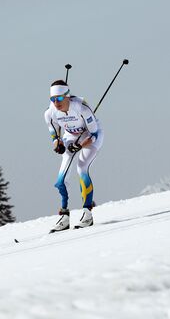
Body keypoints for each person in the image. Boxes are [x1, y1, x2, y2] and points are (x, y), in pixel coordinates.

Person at [44, 80, 104, 232]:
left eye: (59, 98)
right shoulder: (50, 113)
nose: (56, 102)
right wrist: (57, 143)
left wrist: (81, 145)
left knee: (81, 168)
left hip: (89, 136)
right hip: (70, 136)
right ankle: (64, 215)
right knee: (61, 180)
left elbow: (94, 134)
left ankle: (87, 212)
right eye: (53, 99)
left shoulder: (81, 108)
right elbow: (54, 131)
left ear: (67, 96)